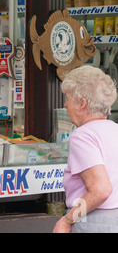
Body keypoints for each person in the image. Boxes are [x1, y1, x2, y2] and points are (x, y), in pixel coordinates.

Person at [53, 65, 118, 233]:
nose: (66, 105)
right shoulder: (114, 129)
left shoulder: (83, 135)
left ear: (82, 103)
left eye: (68, 98)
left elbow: (101, 190)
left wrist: (67, 220)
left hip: (93, 221)